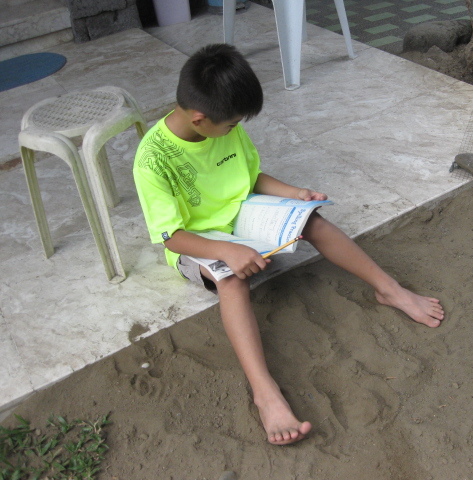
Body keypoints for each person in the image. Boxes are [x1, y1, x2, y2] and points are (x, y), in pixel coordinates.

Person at [133, 44, 444, 446]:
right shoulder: (153, 160)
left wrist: (293, 193)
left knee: (313, 219)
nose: (234, 129)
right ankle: (265, 393)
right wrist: (226, 250)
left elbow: (250, 177)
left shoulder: (222, 123)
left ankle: (390, 289)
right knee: (232, 282)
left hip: (243, 214)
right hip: (198, 241)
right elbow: (170, 235)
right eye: (230, 125)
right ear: (199, 118)